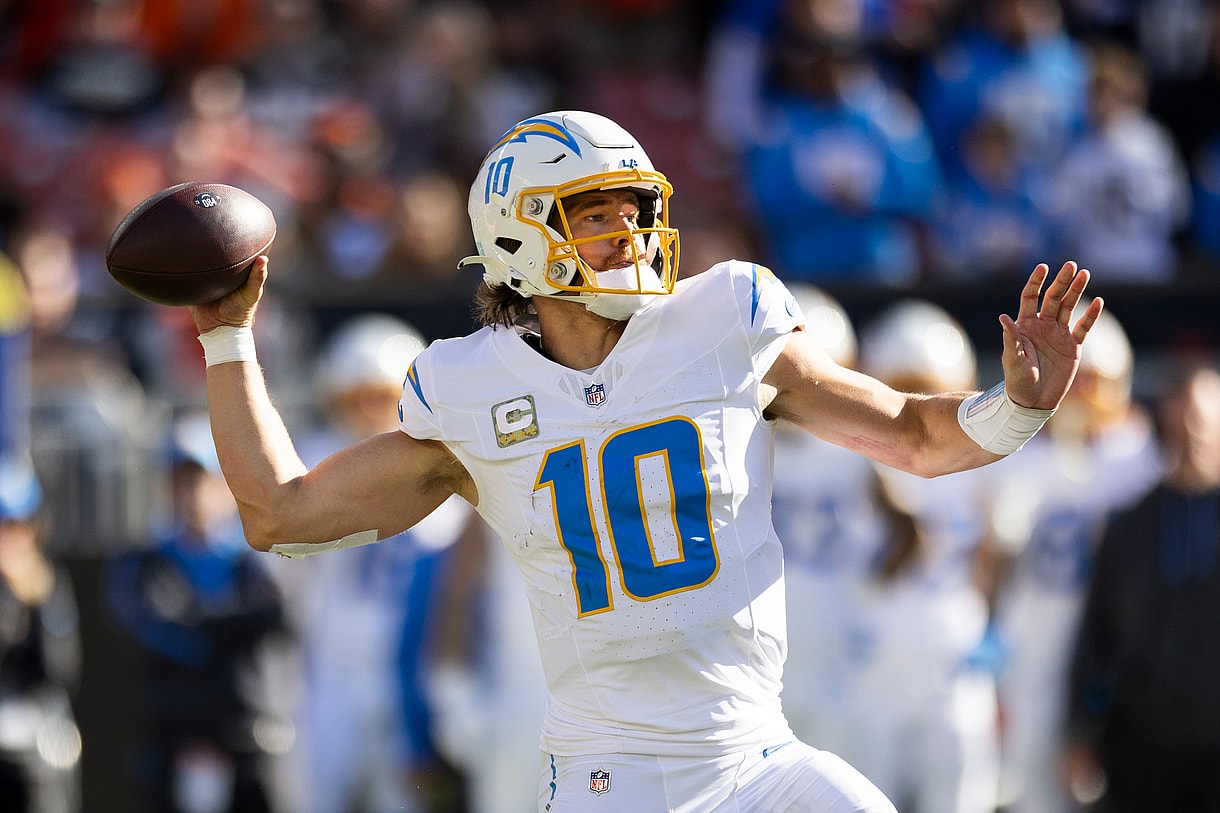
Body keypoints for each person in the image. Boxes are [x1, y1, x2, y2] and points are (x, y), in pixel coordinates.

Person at [185, 110, 1102, 813]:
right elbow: (279, 512)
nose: (628, 231)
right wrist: (228, 342)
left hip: (756, 758)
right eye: (595, 213)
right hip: (606, 778)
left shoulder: (726, 324)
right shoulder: (467, 392)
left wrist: (1019, 403)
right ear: (519, 233)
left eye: (636, 207)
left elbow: (916, 434)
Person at [289, 314, 475, 813]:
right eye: (358, 396)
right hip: (328, 669)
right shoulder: (311, 463)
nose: (371, 410)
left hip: (408, 670)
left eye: (382, 395)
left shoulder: (443, 469)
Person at [990, 306, 1160, 813]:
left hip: (1109, 661)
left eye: (1096, 381)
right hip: (1031, 654)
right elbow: (994, 564)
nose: (1082, 395)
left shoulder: (1141, 460)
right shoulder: (1019, 457)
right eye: (1075, 380)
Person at [103, 415, 297, 813]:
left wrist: (207, 623)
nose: (193, 493)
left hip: (247, 740)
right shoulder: (143, 564)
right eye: (182, 480)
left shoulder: (255, 561)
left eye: (205, 480)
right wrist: (233, 624)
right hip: (173, 739)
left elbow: (280, 620)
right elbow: (166, 634)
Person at [1064, 361, 1220, 813]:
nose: (1193, 430)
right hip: (1143, 738)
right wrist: (1080, 733)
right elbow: (1098, 635)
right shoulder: (1130, 525)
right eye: (1183, 415)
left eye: (1205, 417)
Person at [0, 455, 83, 813]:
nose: (12, 538)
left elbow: (62, 672)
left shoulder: (50, 584)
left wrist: (38, 602)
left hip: (38, 743)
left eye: (20, 526)